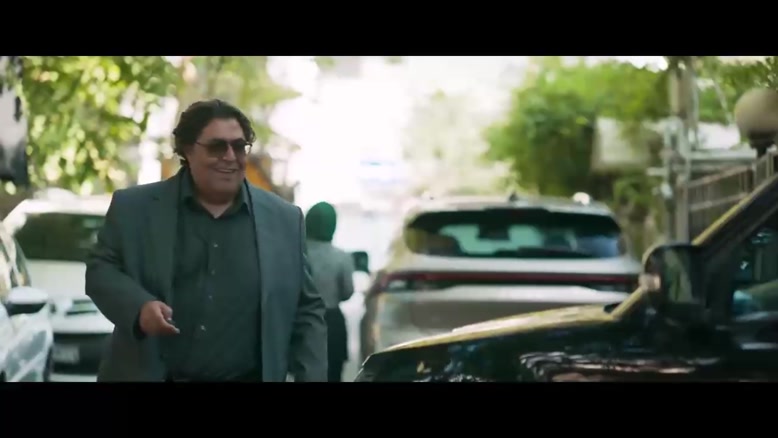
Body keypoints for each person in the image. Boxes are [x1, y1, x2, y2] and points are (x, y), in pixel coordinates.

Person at [85, 99, 327, 382]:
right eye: (217, 147)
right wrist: (139, 308)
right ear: (188, 150)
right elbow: (101, 270)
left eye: (239, 146)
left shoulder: (284, 221)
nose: (230, 156)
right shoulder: (135, 208)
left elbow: (306, 310)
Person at [304, 201, 355, 382]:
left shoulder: (294, 253)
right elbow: (347, 292)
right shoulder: (342, 258)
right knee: (333, 372)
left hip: (301, 320)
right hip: (332, 322)